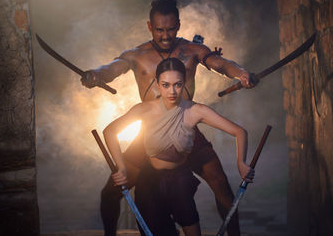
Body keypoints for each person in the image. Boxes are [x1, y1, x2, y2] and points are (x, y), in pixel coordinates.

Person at [81, 0, 257, 235]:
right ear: (149, 26)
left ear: (179, 25)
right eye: (159, 30)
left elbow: (221, 64)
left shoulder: (193, 50)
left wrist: (242, 74)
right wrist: (95, 75)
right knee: (111, 192)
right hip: (149, 137)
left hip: (186, 131)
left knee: (221, 185)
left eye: (171, 29)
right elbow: (112, 68)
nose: (165, 36)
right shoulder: (136, 55)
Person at [103, 58, 254, 236]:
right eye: (166, 85)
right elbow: (110, 131)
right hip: (149, 180)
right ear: (157, 84)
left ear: (185, 84)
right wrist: (121, 167)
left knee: (192, 228)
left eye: (178, 85)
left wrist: (241, 163)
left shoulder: (195, 111)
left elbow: (239, 132)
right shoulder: (144, 110)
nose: (172, 91)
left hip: (180, 179)